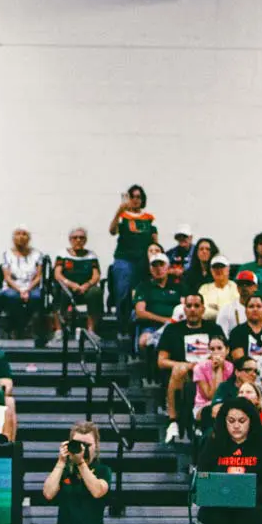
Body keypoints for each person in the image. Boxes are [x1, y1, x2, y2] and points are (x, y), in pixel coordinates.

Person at [157, 293, 223, 442]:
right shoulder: (172, 330)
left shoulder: (214, 329)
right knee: (178, 369)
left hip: (210, 372)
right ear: (184, 309)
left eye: (197, 306)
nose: (193, 309)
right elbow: (161, 361)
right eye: (189, 306)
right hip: (184, 375)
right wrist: (185, 365)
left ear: (203, 309)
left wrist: (202, 365)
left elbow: (223, 354)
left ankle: (200, 423)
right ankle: (173, 421)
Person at [109, 184, 157, 335]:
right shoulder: (123, 217)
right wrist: (120, 210)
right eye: (133, 196)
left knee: (141, 293)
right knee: (123, 291)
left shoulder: (148, 218)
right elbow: (112, 230)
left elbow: (155, 241)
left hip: (142, 261)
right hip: (125, 259)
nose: (136, 200)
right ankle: (122, 326)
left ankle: (136, 326)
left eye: (139, 197)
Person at [52, 227, 103, 335]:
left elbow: (96, 275)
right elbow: (57, 274)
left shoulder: (91, 255)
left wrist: (86, 285)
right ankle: (59, 330)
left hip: (85, 288)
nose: (78, 240)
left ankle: (91, 330)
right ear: (70, 240)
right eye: (75, 238)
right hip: (67, 287)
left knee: (96, 292)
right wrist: (70, 284)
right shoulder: (63, 254)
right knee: (58, 291)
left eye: (81, 238)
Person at [0, 225, 44, 339]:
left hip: (31, 287)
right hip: (12, 287)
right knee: (12, 297)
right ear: (13, 238)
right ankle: (16, 328)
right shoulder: (6, 254)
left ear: (29, 238)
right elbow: (7, 277)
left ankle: (29, 327)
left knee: (37, 297)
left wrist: (27, 289)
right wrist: (20, 290)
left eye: (24, 234)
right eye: (18, 234)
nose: (21, 237)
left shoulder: (37, 254)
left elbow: (38, 276)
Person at [192, 336, 232, 425]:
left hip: (226, 404)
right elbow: (212, 397)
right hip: (202, 406)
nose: (216, 352)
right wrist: (217, 371)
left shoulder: (231, 368)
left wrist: (221, 368)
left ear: (227, 350)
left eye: (219, 348)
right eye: (212, 349)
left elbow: (227, 394)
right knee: (212, 409)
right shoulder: (199, 368)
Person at [228, 295, 262, 362]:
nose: (255, 309)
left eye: (259, 306)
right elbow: (238, 360)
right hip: (246, 370)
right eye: (251, 306)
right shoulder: (236, 332)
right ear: (245, 311)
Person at [198, 256, 238, 322]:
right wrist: (223, 313)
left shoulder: (236, 287)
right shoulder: (204, 288)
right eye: (215, 267)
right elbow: (202, 312)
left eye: (221, 267)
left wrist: (215, 310)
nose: (218, 270)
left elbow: (237, 311)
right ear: (211, 270)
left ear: (228, 269)